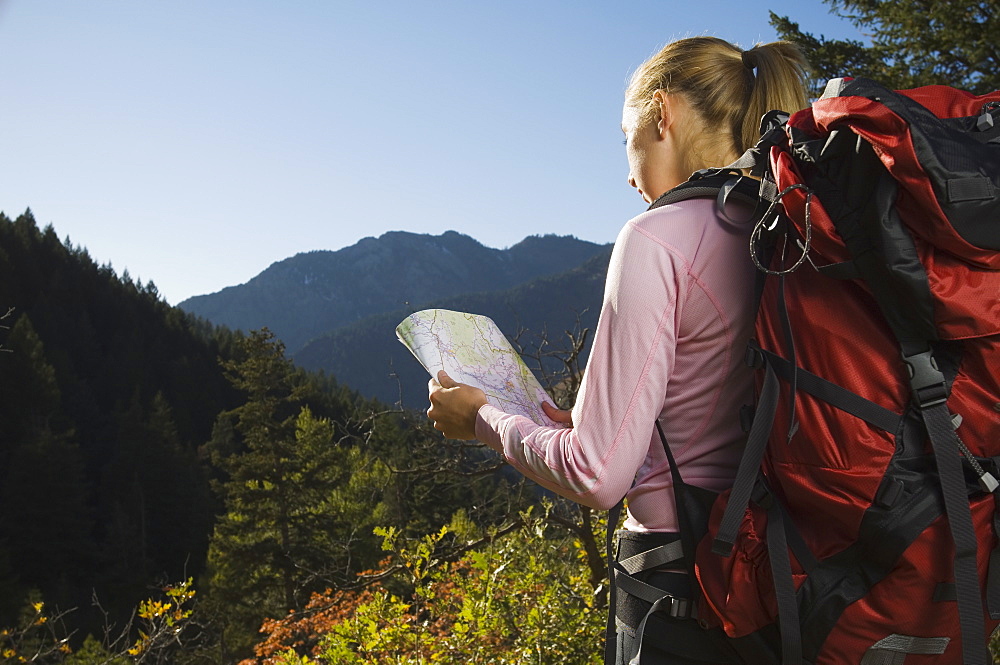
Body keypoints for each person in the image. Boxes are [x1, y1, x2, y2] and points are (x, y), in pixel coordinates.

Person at [426, 36, 810, 665]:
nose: (628, 174)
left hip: (682, 583)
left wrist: (485, 420)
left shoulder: (658, 239)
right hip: (779, 569)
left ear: (664, 114)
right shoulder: (783, 224)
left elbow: (596, 474)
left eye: (626, 137)